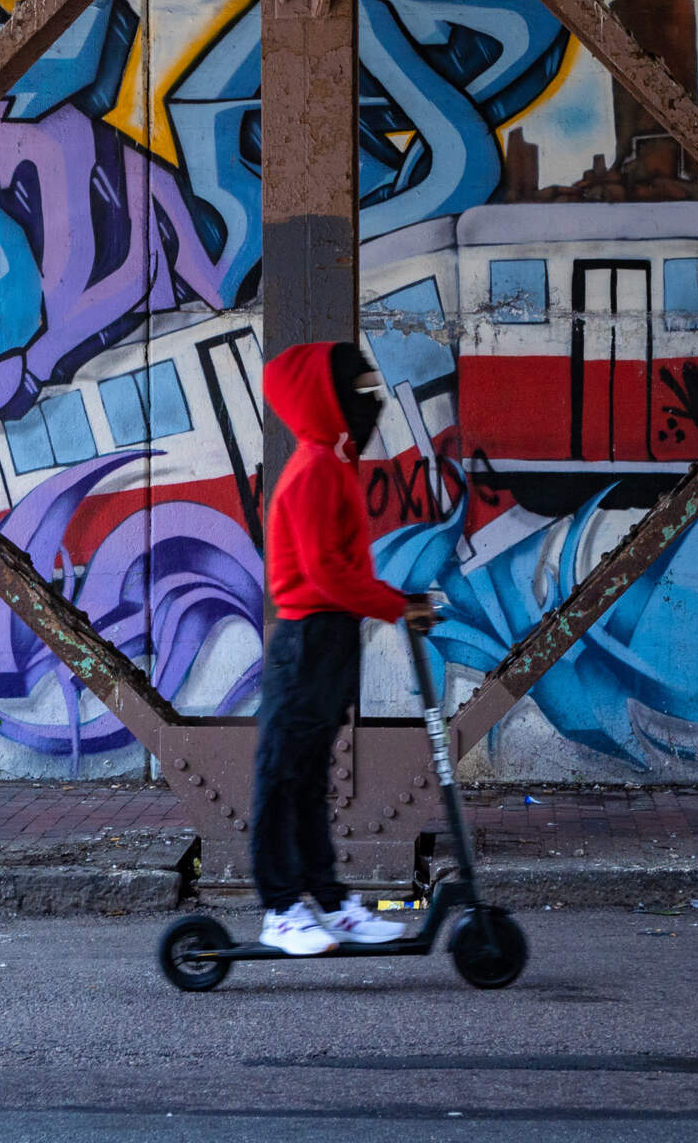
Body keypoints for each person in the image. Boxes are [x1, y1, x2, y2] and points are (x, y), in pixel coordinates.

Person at [251, 340, 439, 956]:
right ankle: (280, 912)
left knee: (308, 778)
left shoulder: (333, 463)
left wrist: (396, 599)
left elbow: (343, 569)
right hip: (307, 638)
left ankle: (330, 903)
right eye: (358, 391)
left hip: (329, 638)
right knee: (282, 774)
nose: (373, 401)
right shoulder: (311, 472)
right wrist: (396, 605)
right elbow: (327, 573)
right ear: (324, 400)